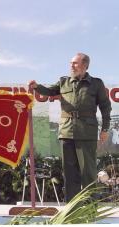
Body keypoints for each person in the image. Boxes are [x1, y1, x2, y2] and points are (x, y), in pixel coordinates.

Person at [29, 53, 111, 202]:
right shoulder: (63, 82)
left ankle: (89, 208)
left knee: (88, 173)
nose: (71, 66)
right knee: (69, 173)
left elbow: (105, 107)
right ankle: (71, 209)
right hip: (67, 132)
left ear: (85, 65)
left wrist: (105, 129)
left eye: (75, 63)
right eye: (71, 63)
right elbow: (49, 91)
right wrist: (37, 87)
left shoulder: (96, 84)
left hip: (87, 133)